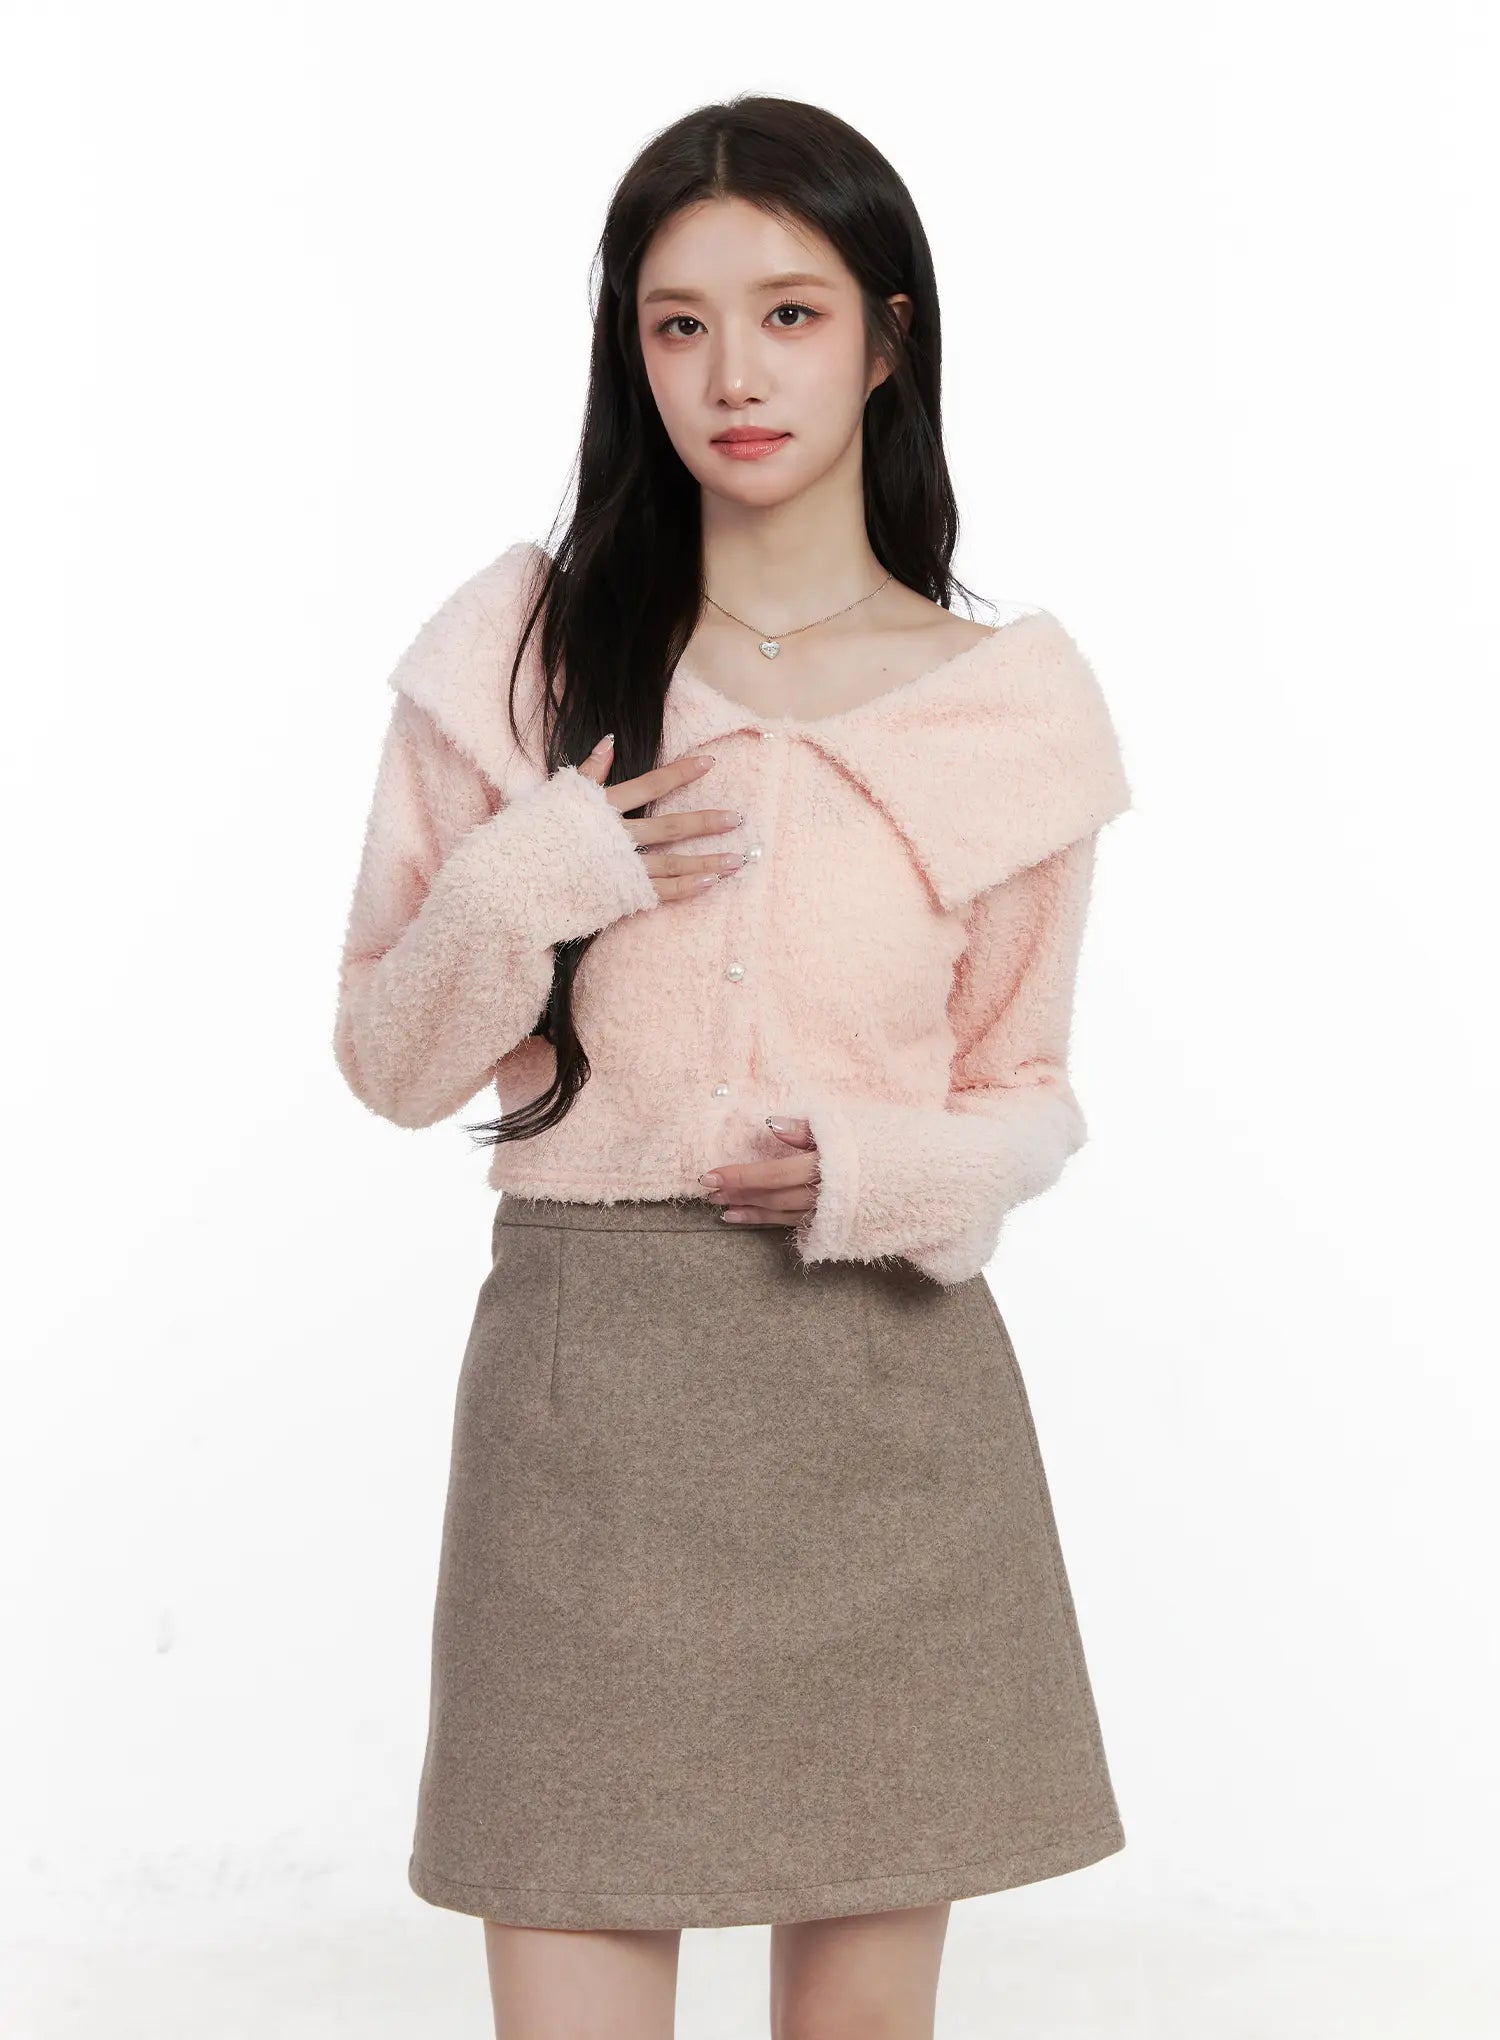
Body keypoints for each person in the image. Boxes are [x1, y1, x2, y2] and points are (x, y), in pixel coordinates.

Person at [332, 92, 1133, 2040]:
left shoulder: (1008, 706)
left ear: (888, 334)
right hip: (588, 1412)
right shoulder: (515, 653)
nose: (733, 375)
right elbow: (386, 1057)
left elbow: (1027, 1091)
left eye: (789, 314)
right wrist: (526, 879)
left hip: (887, 1415)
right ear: (632, 351)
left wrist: (891, 1169)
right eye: (678, 324)